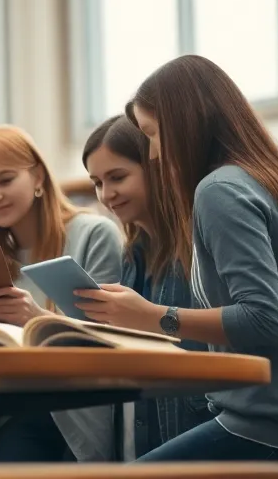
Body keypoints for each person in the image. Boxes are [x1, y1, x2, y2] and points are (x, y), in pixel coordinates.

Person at [93, 54, 278, 479]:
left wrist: (152, 316)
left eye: (153, 134)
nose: (154, 154)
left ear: (185, 123)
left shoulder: (220, 190)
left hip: (273, 430)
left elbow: (264, 320)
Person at [0, 124, 124, 463]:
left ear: (38, 177)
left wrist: (35, 319)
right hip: (13, 410)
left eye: (5, 180)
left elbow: (110, 341)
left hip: (78, 410)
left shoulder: (94, 234)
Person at [77, 116, 214, 460]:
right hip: (145, 431)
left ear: (154, 167)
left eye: (117, 177)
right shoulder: (133, 255)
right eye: (97, 183)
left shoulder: (197, 246)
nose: (106, 195)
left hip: (197, 429)